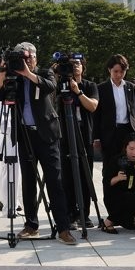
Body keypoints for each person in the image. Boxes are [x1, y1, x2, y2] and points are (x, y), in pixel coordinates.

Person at [0, 42, 78, 245]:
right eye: (24, 58)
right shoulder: (13, 76)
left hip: (47, 135)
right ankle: (31, 225)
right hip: (24, 136)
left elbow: (50, 86)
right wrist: (2, 75)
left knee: (54, 182)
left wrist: (28, 74)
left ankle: (63, 228)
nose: (27, 61)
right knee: (29, 182)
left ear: (35, 58)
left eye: (30, 57)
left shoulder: (45, 72)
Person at [92, 54, 135, 227]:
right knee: (110, 171)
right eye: (116, 71)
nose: (119, 74)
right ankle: (112, 214)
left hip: (128, 132)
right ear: (109, 70)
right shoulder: (101, 88)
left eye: (122, 71)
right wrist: (96, 137)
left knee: (134, 171)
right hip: (109, 133)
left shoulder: (130, 87)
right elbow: (97, 115)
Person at [59, 57, 99, 228]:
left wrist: (78, 91)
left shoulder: (90, 86)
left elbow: (92, 106)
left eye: (78, 64)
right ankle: (69, 214)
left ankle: (84, 213)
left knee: (85, 175)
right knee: (66, 176)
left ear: (83, 67)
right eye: (71, 65)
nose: (75, 67)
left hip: (84, 134)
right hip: (65, 135)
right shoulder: (60, 85)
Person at [100, 133, 135, 232]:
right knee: (130, 199)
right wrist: (117, 178)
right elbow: (106, 182)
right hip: (114, 197)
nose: (134, 152)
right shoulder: (116, 160)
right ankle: (108, 222)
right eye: (131, 149)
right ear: (125, 148)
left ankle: (130, 218)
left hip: (132, 196)